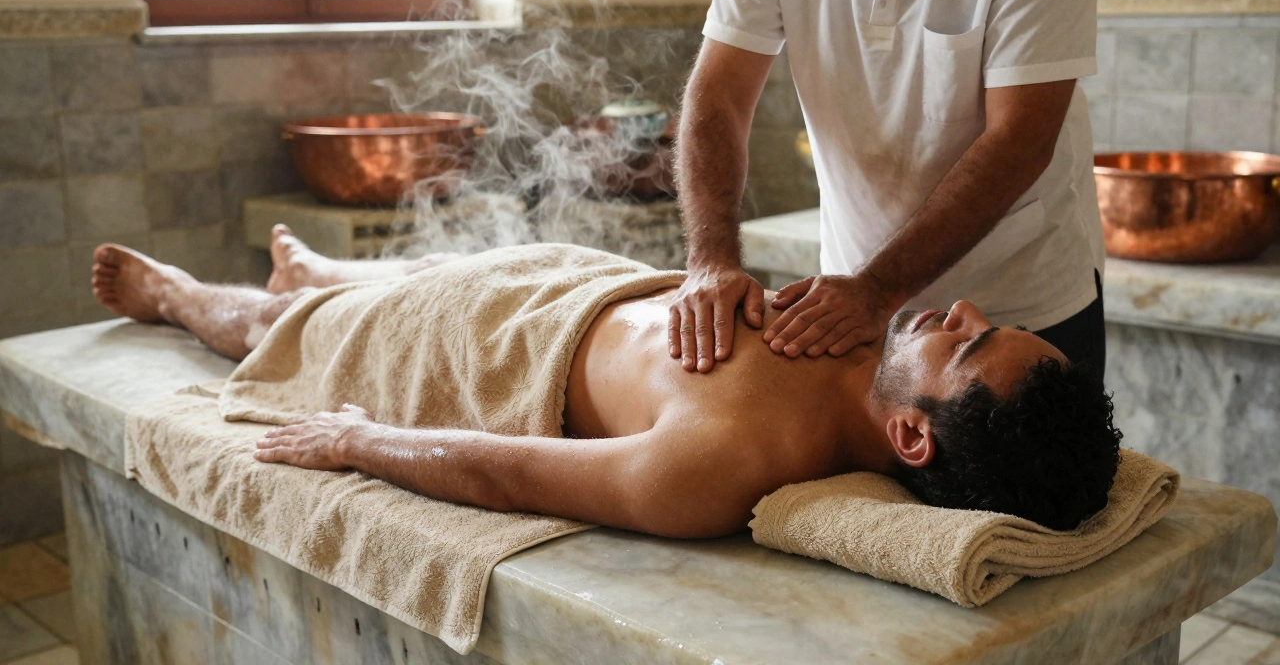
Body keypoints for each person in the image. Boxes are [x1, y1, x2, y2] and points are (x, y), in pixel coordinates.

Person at [90, 226, 1120, 537]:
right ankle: (338, 271)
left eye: (970, 348)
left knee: (287, 327)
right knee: (438, 263)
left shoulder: (721, 462)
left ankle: (180, 295)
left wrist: (358, 441)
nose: (965, 313)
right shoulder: (864, 341)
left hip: (492, 341)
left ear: (911, 439)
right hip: (580, 277)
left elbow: (502, 475)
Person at [669, 0, 1107, 380]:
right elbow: (719, 97)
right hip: (856, 313)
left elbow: (1020, 140)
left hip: (1021, 315)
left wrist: (878, 290)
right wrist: (711, 259)